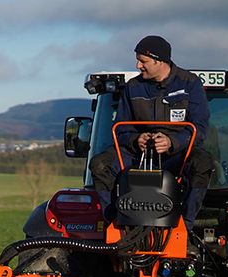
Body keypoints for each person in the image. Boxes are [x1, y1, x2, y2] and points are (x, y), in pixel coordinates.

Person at [89, 35, 213, 225]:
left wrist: (172, 142)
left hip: (176, 157)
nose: (138, 66)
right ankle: (115, 222)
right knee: (100, 164)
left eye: (142, 61)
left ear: (159, 61)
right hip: (138, 156)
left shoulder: (189, 83)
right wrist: (136, 139)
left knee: (202, 163)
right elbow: (121, 128)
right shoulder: (133, 87)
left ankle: (184, 225)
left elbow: (200, 128)